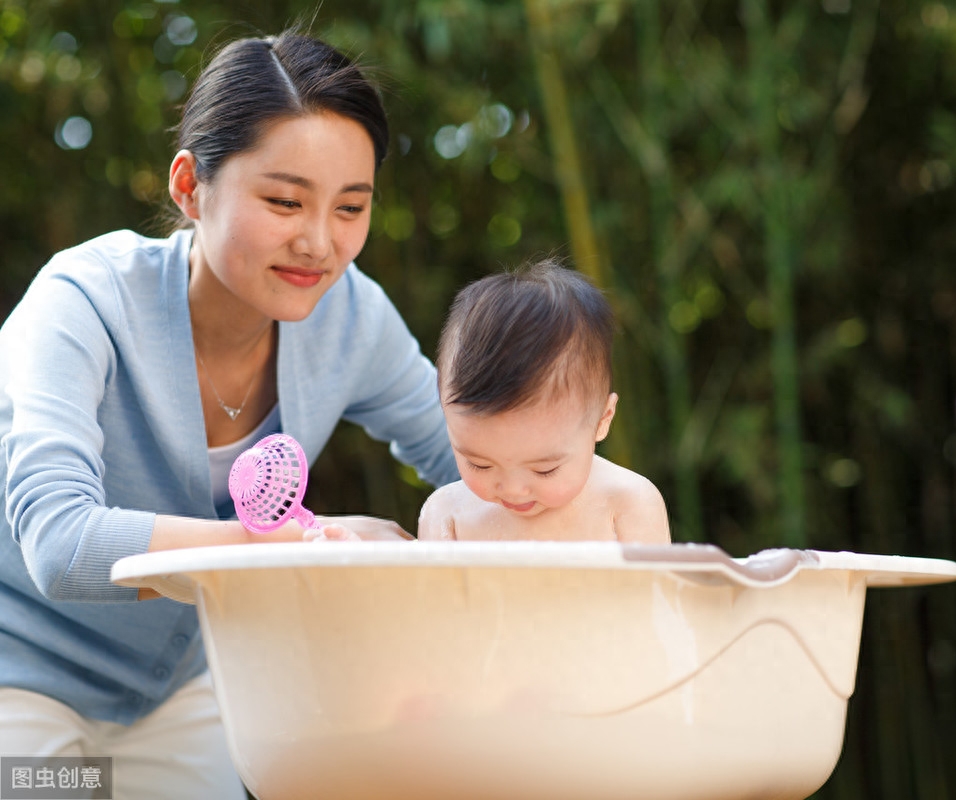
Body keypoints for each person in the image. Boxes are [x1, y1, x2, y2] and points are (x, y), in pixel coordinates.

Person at [0, 27, 458, 798]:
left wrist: (625, 520)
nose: (319, 243)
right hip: (19, 680)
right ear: (189, 186)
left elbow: (476, 459)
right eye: (283, 201)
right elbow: (60, 542)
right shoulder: (80, 302)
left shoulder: (352, 319)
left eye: (351, 207)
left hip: (176, 691)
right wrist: (290, 548)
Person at [417, 259, 671, 544]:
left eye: (544, 470)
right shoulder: (448, 514)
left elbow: (655, 589)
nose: (513, 490)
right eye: (479, 464)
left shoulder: (626, 504)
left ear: (603, 419)